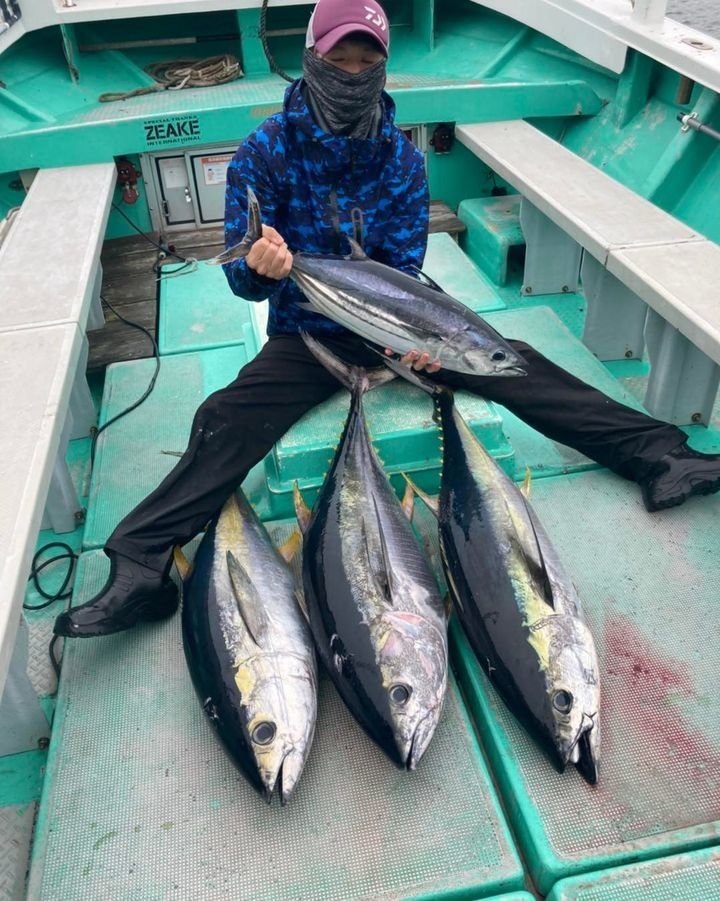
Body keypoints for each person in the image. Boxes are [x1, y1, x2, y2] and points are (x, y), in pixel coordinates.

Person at [54, 0, 720, 639]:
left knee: (516, 361)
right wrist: (262, 265)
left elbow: (404, 267)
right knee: (224, 418)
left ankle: (662, 455)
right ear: (311, 58)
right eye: (338, 59)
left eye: (365, 62)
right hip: (309, 334)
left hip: (400, 332)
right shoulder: (265, 152)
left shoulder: (401, 158)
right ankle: (139, 565)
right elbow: (240, 282)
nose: (351, 75)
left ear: (382, 66)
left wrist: (420, 344)